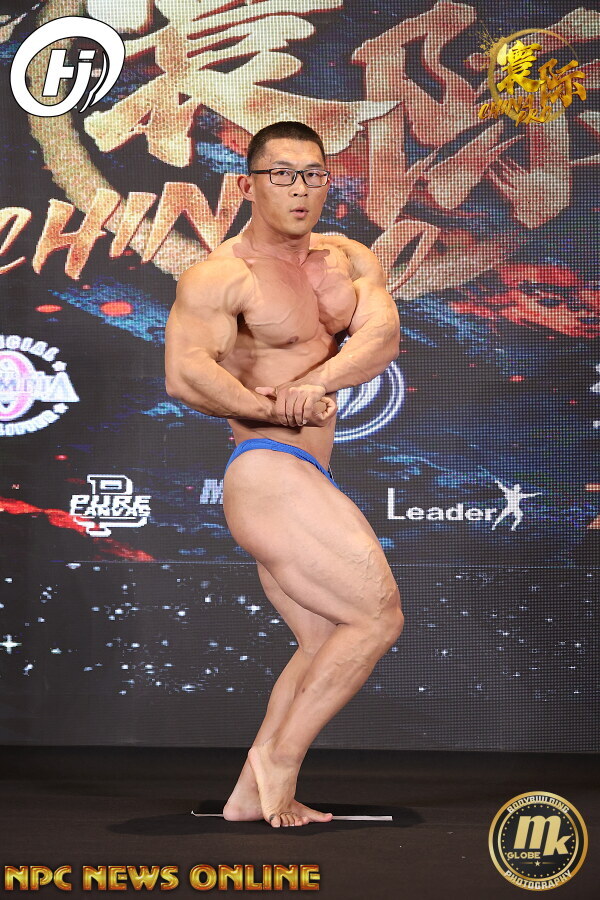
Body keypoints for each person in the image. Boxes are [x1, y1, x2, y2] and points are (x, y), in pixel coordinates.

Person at [165, 121, 404, 828]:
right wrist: (271, 406)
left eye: (313, 175)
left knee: (326, 638)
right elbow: (185, 374)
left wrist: (317, 382)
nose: (300, 190)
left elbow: (381, 336)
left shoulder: (348, 258)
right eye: (282, 175)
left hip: (306, 471)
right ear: (248, 185)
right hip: (267, 470)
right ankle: (280, 758)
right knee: (377, 615)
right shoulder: (221, 275)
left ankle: (247, 795)